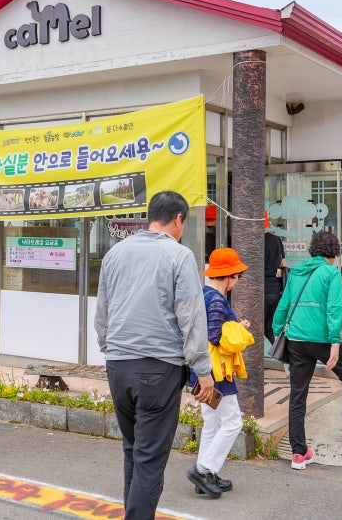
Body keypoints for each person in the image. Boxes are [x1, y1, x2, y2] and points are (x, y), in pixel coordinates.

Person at [96, 191, 216, 519]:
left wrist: (110, 349)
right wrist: (202, 370)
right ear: (178, 220)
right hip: (158, 369)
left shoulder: (115, 253)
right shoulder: (179, 256)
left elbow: (102, 311)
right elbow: (191, 315)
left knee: (133, 451)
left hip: (118, 366)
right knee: (149, 460)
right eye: (183, 223)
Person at [273, 230, 342, 470]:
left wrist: (278, 331)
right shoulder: (331, 274)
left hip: (295, 339)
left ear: (313, 249)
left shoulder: (297, 272)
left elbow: (284, 304)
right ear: (335, 252)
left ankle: (299, 453)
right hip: (322, 341)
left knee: (298, 394)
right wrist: (335, 343)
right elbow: (334, 310)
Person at [188, 248, 253, 498]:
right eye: (238, 276)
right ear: (229, 277)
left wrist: (235, 325)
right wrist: (240, 331)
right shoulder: (216, 300)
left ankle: (205, 476)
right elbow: (216, 336)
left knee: (213, 422)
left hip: (202, 368)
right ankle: (203, 469)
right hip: (216, 371)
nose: (238, 281)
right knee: (233, 421)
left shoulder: (204, 294)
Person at [263, 210, 287, 345]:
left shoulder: (254, 243)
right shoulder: (276, 240)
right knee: (270, 328)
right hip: (275, 290)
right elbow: (283, 264)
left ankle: (251, 364)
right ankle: (285, 358)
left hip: (261, 291)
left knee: (254, 328)